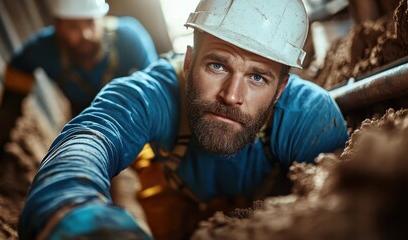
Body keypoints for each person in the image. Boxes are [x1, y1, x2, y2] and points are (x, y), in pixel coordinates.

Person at [18, 0, 349, 239]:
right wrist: (72, 209)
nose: (231, 95)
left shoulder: (309, 119)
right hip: (182, 206)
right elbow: (93, 135)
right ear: (189, 63)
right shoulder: (156, 93)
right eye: (217, 66)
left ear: (280, 90)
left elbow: (347, 209)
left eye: (258, 78)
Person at [0, 0, 158, 151]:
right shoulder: (42, 49)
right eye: (73, 27)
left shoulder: (128, 37)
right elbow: (18, 71)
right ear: (58, 26)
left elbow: (156, 86)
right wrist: (4, 125)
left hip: (130, 114)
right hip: (83, 118)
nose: (85, 34)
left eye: (90, 23)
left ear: (101, 19)